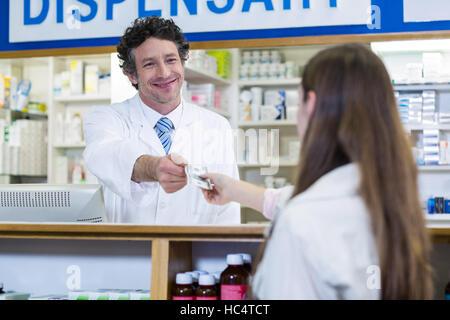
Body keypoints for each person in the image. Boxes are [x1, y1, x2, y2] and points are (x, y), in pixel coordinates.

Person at [201, 44, 433, 299]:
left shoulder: (302, 221)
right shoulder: (392, 202)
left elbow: (306, 215)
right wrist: (233, 190)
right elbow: (296, 202)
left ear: (310, 104)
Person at [83, 17, 239, 224]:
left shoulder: (216, 126)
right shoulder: (106, 119)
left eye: (171, 60)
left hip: (196, 254)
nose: (164, 73)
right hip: (130, 253)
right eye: (149, 64)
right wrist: (153, 167)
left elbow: (227, 208)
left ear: (183, 61)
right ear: (131, 75)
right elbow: (105, 153)